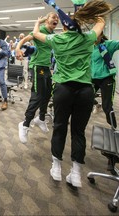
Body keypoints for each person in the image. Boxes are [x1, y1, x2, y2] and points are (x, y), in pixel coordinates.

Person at [35, 0, 111, 188]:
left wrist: (38, 22)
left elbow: (36, 34)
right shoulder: (88, 39)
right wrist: (87, 13)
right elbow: (101, 22)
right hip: (85, 91)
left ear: (63, 26)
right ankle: (75, 173)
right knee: (78, 131)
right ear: (80, 25)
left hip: (63, 90)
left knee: (59, 127)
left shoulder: (57, 40)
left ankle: (56, 168)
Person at [16, 12, 59, 143]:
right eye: (53, 17)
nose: (56, 19)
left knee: (47, 94)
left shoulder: (52, 34)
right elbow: (25, 40)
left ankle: (40, 118)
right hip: (37, 66)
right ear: (47, 21)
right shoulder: (41, 30)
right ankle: (25, 124)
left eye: (57, 18)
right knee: (37, 95)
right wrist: (17, 48)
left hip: (46, 67)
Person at [91, 32, 119, 129]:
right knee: (85, 97)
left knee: (107, 106)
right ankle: (97, 104)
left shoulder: (108, 44)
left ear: (101, 35)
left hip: (107, 78)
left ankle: (114, 128)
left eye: (97, 36)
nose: (94, 38)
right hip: (93, 79)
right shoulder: (89, 46)